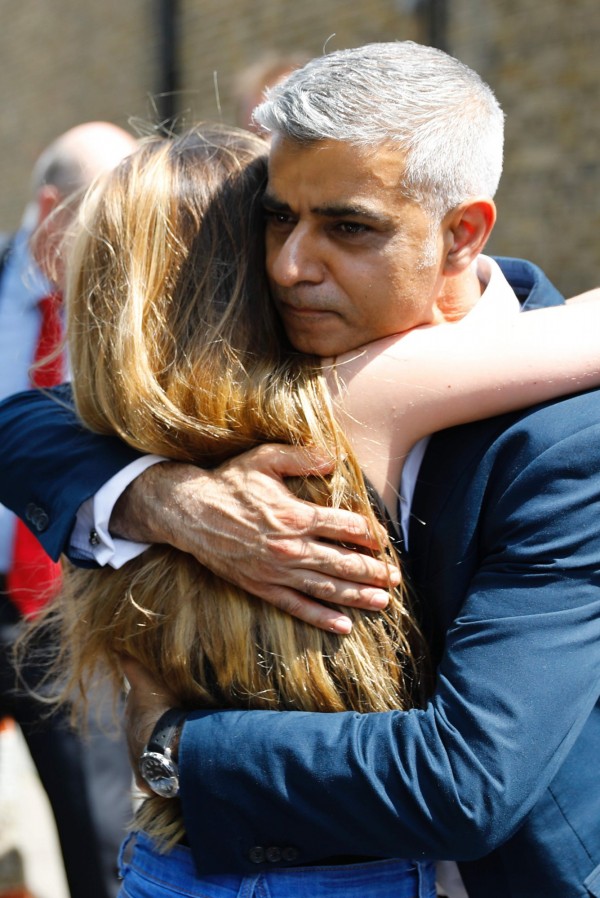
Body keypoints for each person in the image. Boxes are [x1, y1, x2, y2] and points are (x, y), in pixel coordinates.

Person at [0, 42, 599, 898]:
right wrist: (163, 498)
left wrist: (175, 750)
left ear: (463, 233)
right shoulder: (284, 335)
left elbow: (468, 779)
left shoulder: (564, 437)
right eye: (278, 219)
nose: (289, 265)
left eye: (348, 228)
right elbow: (28, 424)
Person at [0, 122, 138, 898]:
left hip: (73, 610)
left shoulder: (137, 295)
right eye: (105, 212)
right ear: (50, 208)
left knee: (101, 840)